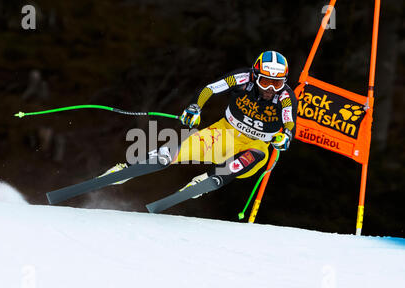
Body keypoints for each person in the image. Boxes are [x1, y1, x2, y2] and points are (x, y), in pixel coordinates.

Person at [102, 50, 297, 205]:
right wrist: (195, 108)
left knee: (242, 163)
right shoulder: (241, 78)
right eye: (265, 82)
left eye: (277, 83)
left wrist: (286, 136)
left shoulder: (286, 97)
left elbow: (289, 121)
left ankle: (204, 181)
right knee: (180, 150)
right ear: (255, 76)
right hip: (225, 132)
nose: (270, 89)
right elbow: (210, 89)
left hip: (257, 144)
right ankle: (124, 171)